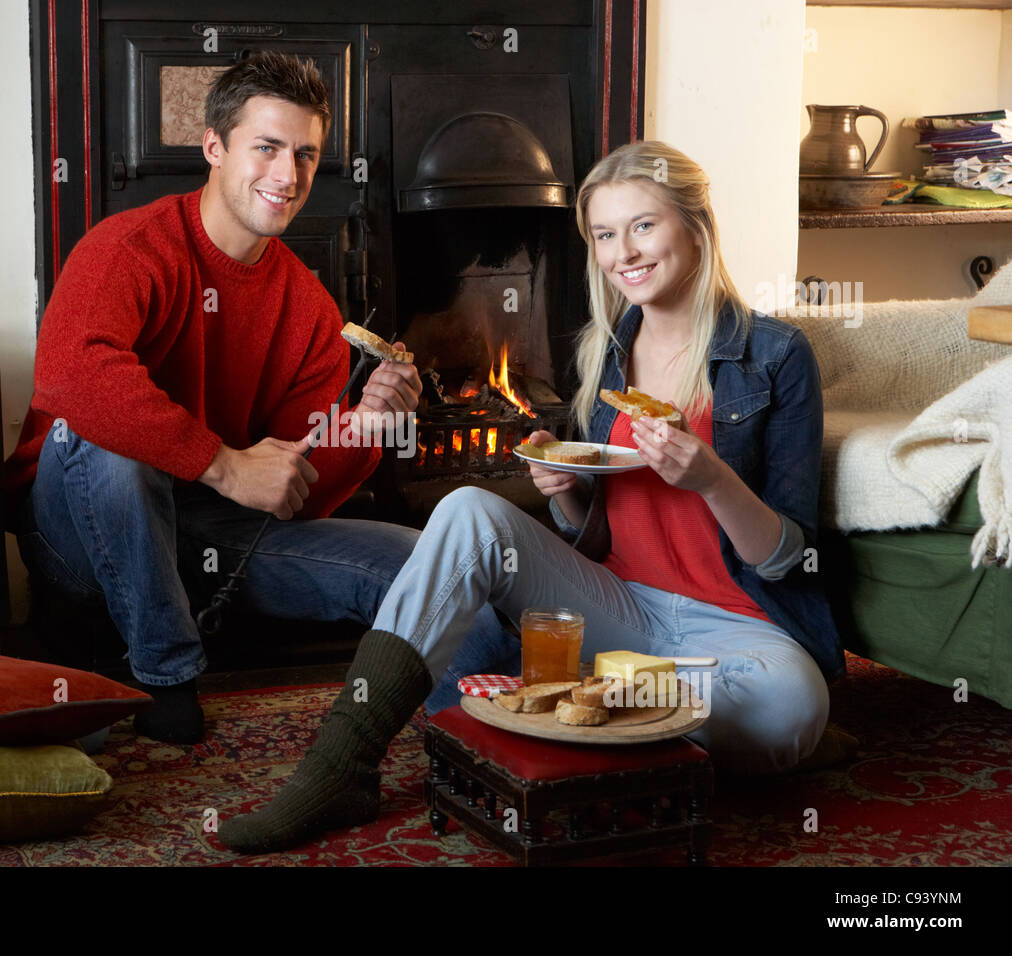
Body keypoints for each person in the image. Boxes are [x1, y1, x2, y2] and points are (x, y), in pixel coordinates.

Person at [218, 140, 850, 855]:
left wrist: (711, 478)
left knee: (792, 705)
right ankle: (339, 768)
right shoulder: (602, 352)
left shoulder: (775, 355)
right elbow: (600, 534)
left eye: (644, 226)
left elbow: (790, 560)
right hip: (625, 610)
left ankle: (567, 711)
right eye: (605, 235)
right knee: (465, 510)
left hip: (738, 631)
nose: (624, 253)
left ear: (695, 228)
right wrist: (569, 495)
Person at [2, 51, 515, 744]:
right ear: (214, 147)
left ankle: (486, 734)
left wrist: (364, 427)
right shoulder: (129, 247)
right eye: (267, 148)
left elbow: (297, 491)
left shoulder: (303, 299)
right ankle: (167, 680)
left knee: (423, 561)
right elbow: (72, 379)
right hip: (83, 534)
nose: (289, 175)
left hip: (211, 539)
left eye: (305, 154)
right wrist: (223, 463)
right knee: (106, 440)